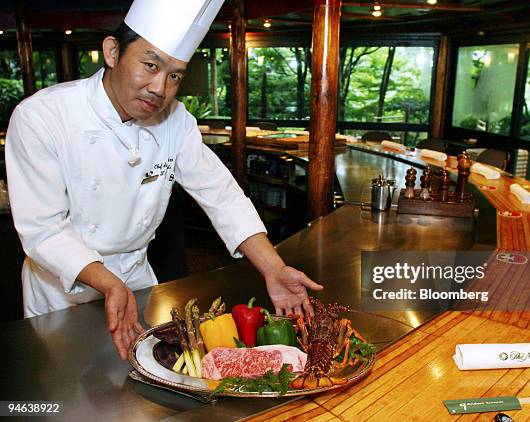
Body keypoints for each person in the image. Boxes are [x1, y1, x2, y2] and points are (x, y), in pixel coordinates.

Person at [5, 0, 323, 360]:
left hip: (135, 280)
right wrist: (108, 283)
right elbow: (44, 230)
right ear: (112, 52)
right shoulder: (41, 117)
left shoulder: (176, 120)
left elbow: (221, 195)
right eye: (150, 65)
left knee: (144, 390)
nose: (160, 88)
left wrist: (274, 268)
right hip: (62, 291)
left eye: (175, 75)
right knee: (64, 394)